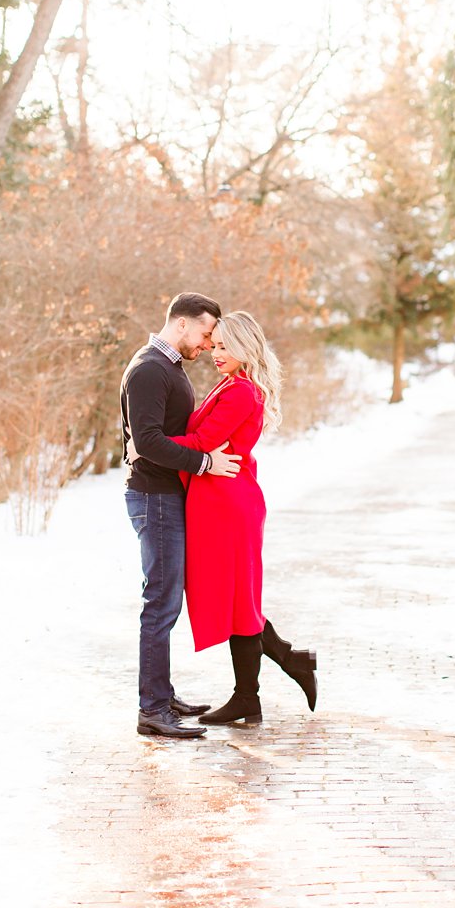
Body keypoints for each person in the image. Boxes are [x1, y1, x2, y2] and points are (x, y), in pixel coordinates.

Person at [162, 310, 318, 724]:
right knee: (236, 601)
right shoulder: (231, 384)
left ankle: (251, 694)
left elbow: (202, 441)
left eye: (227, 346)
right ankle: (284, 666)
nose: (216, 351)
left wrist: (150, 442)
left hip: (229, 505)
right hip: (219, 501)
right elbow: (200, 445)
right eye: (216, 343)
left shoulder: (241, 392)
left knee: (238, 602)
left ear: (247, 348)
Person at [121, 291, 242, 740]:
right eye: (208, 333)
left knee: (167, 602)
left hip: (164, 494)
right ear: (184, 324)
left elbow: (155, 436)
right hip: (154, 497)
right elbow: (149, 440)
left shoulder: (165, 367)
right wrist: (206, 463)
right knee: (161, 603)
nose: (210, 344)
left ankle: (161, 694)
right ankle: (151, 710)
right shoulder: (150, 368)